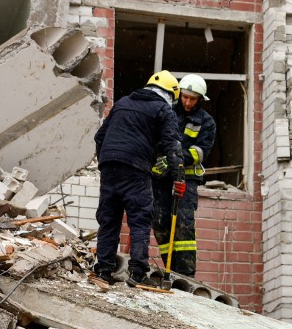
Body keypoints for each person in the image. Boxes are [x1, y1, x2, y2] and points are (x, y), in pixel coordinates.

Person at [93, 71, 185, 286]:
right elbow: (173, 145)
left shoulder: (123, 102)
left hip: (109, 164)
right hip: (135, 168)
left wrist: (106, 161)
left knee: (109, 218)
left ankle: (104, 269)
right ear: (171, 94)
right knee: (140, 219)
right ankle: (137, 273)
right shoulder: (163, 109)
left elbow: (100, 136)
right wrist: (178, 176)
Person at [152, 74, 217, 277]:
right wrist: (155, 162)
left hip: (187, 179)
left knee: (183, 222)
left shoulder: (206, 122)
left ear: (200, 100)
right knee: (160, 221)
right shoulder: (166, 112)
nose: (187, 102)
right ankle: (170, 268)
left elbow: (199, 152)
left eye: (193, 99)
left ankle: (186, 274)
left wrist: (174, 160)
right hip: (161, 179)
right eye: (185, 97)